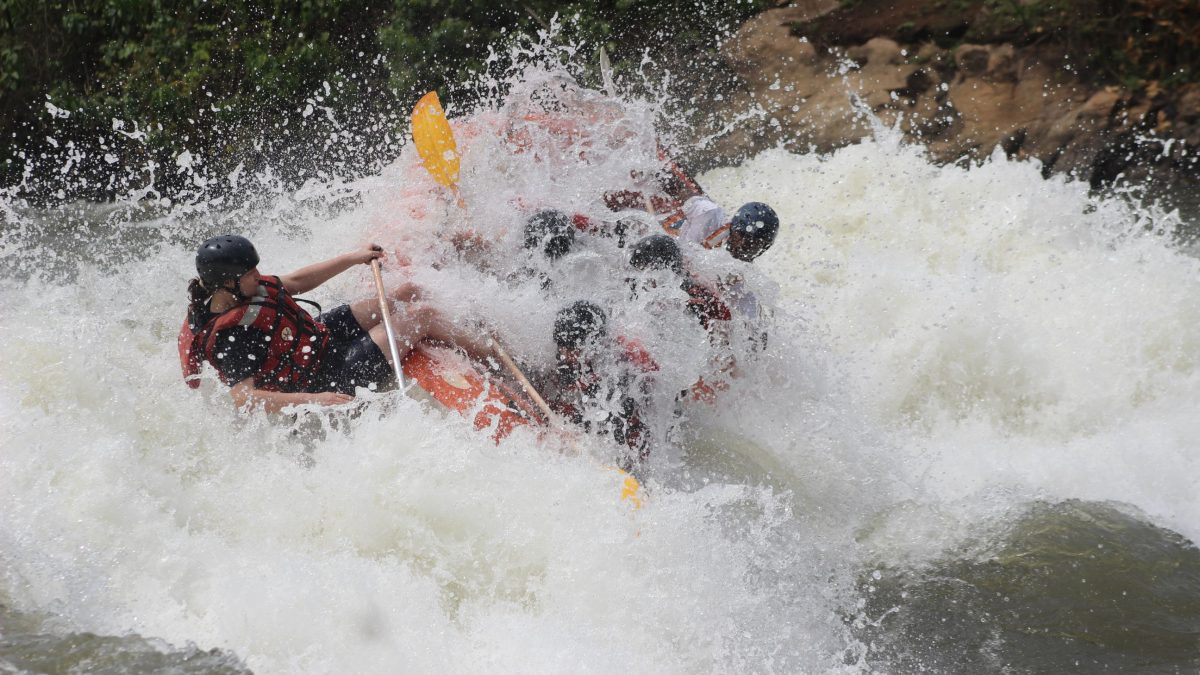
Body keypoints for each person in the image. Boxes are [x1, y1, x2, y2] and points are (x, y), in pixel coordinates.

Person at [179, 234, 491, 412]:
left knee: (407, 293)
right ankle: (496, 359)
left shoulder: (243, 288)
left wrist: (354, 258)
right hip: (326, 377)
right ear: (227, 284)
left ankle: (476, 325)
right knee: (424, 315)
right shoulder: (232, 338)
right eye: (249, 274)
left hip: (319, 339)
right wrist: (315, 400)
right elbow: (243, 397)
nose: (257, 276)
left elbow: (297, 281)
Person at [542, 301, 658, 465]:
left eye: (573, 349)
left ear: (594, 344)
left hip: (631, 414)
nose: (565, 355)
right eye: (562, 346)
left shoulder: (625, 362)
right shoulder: (564, 356)